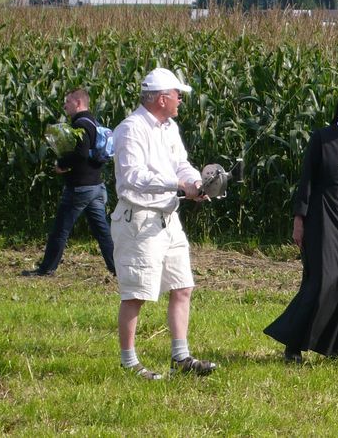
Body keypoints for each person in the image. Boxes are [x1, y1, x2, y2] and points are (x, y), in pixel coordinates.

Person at [110, 68, 217, 380]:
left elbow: (181, 164)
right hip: (139, 221)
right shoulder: (131, 129)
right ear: (160, 98)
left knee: (183, 286)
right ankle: (129, 362)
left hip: (168, 219)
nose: (180, 99)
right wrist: (178, 186)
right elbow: (133, 176)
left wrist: (197, 183)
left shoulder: (169, 127)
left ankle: (180, 357)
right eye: (176, 94)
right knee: (136, 293)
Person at [264, 85, 338, 362]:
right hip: (323, 213)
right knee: (324, 280)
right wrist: (299, 219)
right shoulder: (322, 137)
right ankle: (293, 343)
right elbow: (306, 181)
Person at [23, 88, 115, 277]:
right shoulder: (93, 122)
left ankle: (46, 269)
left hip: (80, 187)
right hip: (96, 186)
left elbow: (81, 154)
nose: (65, 105)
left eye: (68, 102)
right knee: (102, 231)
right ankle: (118, 269)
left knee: (60, 230)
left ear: (78, 103)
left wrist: (61, 164)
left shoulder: (80, 124)